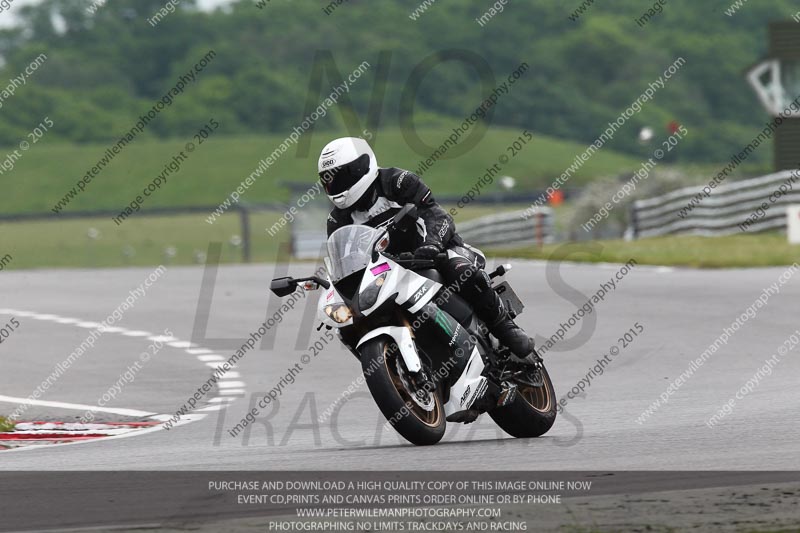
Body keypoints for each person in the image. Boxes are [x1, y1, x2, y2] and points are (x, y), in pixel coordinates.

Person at [318, 136, 536, 364]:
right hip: (388, 272)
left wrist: (431, 245)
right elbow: (344, 259)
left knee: (460, 269)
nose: (335, 185)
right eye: (329, 180)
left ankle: (506, 329)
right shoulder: (337, 219)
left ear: (362, 167)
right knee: (349, 323)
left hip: (437, 252)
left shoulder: (397, 182)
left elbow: (437, 215)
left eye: (341, 177)